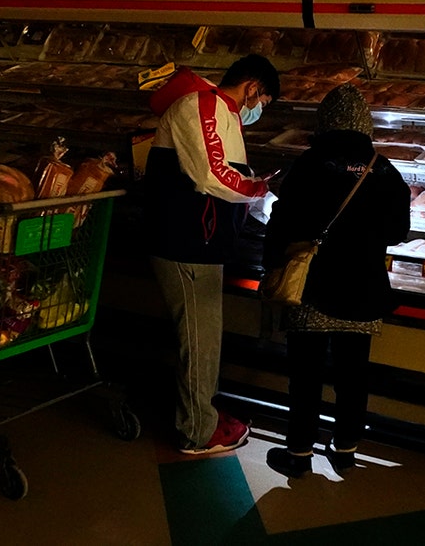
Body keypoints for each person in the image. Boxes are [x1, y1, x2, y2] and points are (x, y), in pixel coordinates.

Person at [262, 83, 411, 478]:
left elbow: (283, 219)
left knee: (306, 375)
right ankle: (345, 449)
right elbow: (399, 231)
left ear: (325, 121)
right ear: (365, 123)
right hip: (364, 289)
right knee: (353, 374)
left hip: (313, 286)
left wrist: (271, 263)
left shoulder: (309, 164)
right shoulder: (384, 168)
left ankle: (298, 455)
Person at [143, 54, 279, 454]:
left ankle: (203, 412)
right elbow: (211, 175)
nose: (259, 110)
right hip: (185, 243)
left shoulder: (223, 114)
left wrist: (267, 205)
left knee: (205, 338)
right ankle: (196, 432)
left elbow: (230, 176)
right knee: (199, 340)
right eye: (264, 101)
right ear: (253, 87)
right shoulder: (202, 104)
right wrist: (257, 191)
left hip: (203, 243)